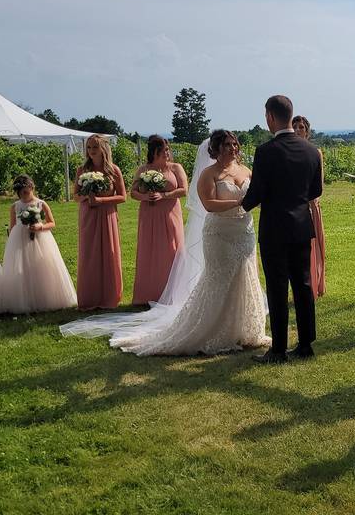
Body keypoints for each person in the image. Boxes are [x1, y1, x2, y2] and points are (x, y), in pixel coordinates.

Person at [61, 130, 271, 356]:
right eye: (228, 145)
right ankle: (215, 329)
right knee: (219, 279)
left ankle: (244, 329)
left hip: (244, 231)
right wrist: (241, 201)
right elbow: (209, 204)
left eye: (235, 144)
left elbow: (257, 195)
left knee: (245, 275)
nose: (233, 148)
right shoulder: (209, 174)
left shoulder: (246, 170)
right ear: (216, 149)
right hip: (220, 233)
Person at [243, 96, 323, 363]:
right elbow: (316, 190)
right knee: (303, 285)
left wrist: (240, 205)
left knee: (277, 288)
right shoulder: (311, 151)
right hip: (301, 226)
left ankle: (278, 349)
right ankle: (306, 345)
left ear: (269, 117)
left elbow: (256, 193)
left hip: (275, 229)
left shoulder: (266, 152)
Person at [0, 175, 77, 314]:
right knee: (22, 267)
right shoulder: (15, 206)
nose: (24, 194)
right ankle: (25, 299)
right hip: (20, 239)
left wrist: (40, 227)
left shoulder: (41, 203)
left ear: (32, 188)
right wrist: (12, 242)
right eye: (21, 192)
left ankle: (44, 298)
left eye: (26, 191)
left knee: (42, 267)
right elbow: (12, 226)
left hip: (41, 240)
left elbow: (52, 223)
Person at [130, 135, 188, 305]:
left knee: (171, 249)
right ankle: (148, 293)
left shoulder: (176, 168)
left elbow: (184, 190)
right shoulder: (143, 169)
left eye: (168, 149)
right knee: (149, 249)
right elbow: (132, 192)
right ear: (154, 152)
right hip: (149, 214)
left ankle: (172, 292)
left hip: (170, 213)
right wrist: (145, 196)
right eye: (163, 150)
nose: (167, 153)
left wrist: (164, 195)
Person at [74, 134, 126, 310]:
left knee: (109, 253)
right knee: (89, 254)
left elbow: (122, 196)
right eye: (88, 147)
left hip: (107, 215)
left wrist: (101, 201)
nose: (91, 151)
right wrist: (86, 197)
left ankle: (109, 296)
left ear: (103, 148)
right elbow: (75, 195)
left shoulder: (113, 170)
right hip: (88, 215)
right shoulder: (81, 170)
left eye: (94, 147)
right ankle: (90, 296)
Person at [293, 115, 327, 300]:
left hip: (311, 204)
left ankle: (316, 283)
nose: (298, 130)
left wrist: (312, 199)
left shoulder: (316, 152)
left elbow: (319, 181)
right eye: (295, 127)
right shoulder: (288, 151)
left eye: (301, 127)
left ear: (307, 131)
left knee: (314, 245)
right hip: (294, 205)